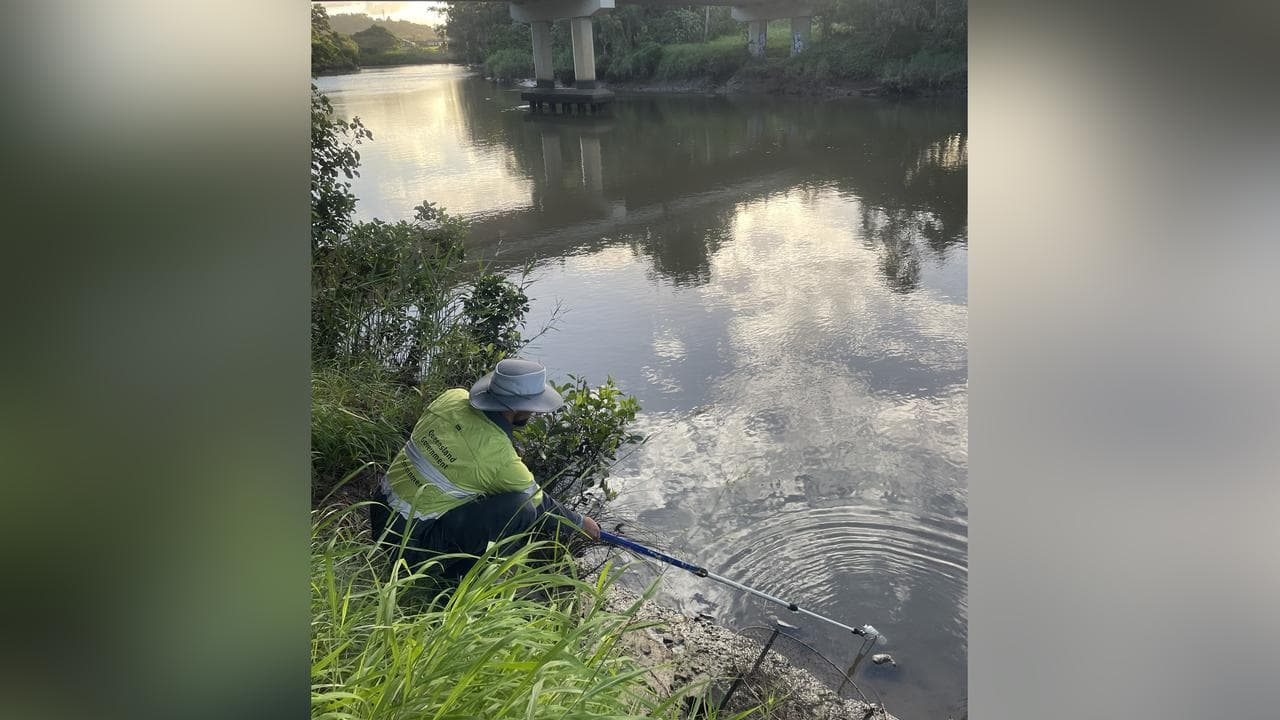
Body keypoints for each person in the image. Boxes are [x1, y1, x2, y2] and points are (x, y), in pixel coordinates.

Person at [369, 358, 601, 578]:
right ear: (517, 407)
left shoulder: (451, 397)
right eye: (533, 405)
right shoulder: (499, 456)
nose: (535, 412)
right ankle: (453, 584)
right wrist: (580, 523)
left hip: (379, 511)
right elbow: (543, 505)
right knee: (522, 509)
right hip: (408, 548)